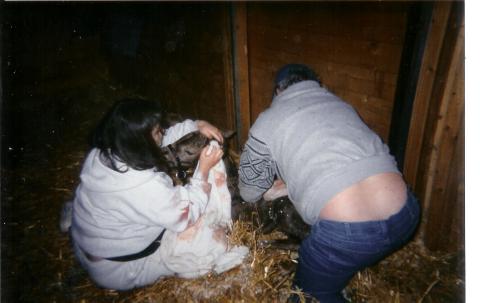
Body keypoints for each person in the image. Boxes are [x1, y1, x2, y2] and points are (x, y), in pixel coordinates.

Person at [238, 64, 420, 302]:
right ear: (318, 84)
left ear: (278, 91)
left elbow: (249, 191)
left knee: (305, 297)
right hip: (406, 213)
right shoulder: (342, 106)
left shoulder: (267, 121)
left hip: (347, 234)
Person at [69, 98, 224, 291]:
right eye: (158, 130)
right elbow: (187, 216)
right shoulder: (144, 187)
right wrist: (203, 171)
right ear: (141, 141)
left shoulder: (105, 151)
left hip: (89, 246)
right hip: (121, 269)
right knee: (211, 242)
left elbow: (157, 140)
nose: (162, 132)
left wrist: (196, 125)